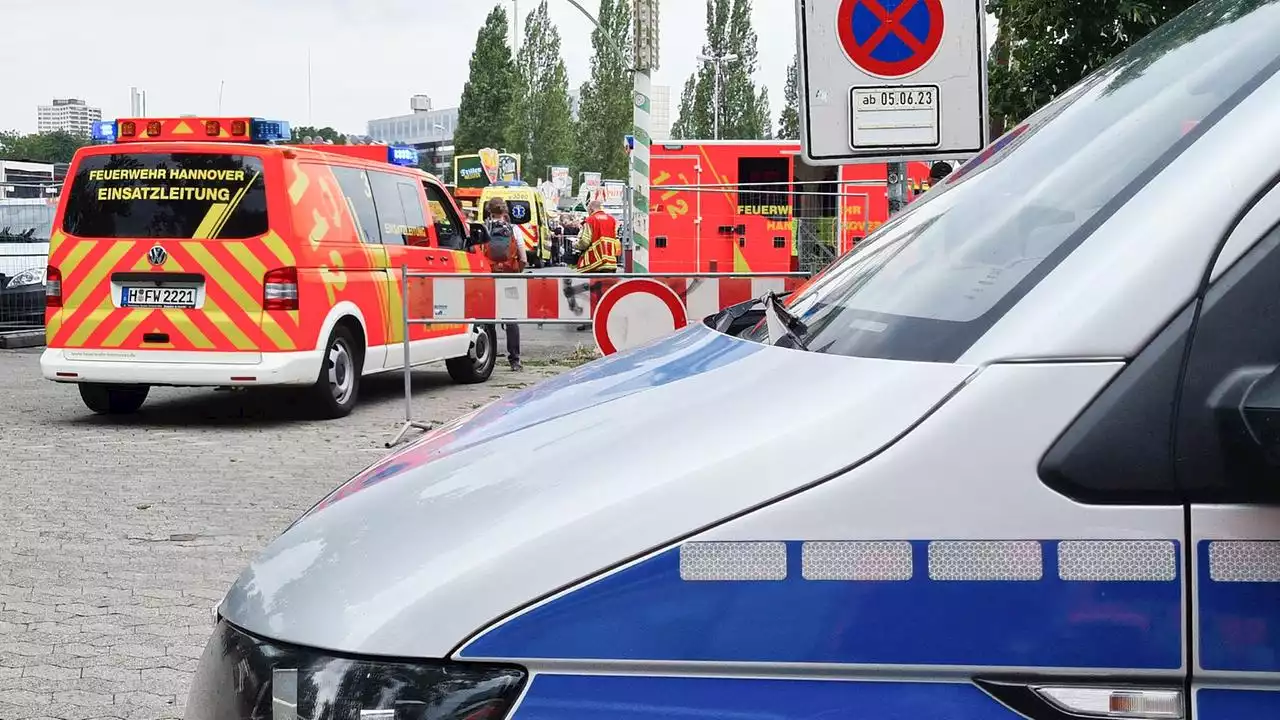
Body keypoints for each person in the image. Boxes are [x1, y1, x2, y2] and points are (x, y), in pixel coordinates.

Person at [483, 197, 526, 372]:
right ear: (505, 211)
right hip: (509, 277)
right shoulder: (514, 229)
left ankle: (487, 358)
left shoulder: (483, 228)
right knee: (511, 320)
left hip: (489, 277)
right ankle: (514, 360)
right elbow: (523, 258)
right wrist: (517, 271)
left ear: (489, 210)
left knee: (487, 318)